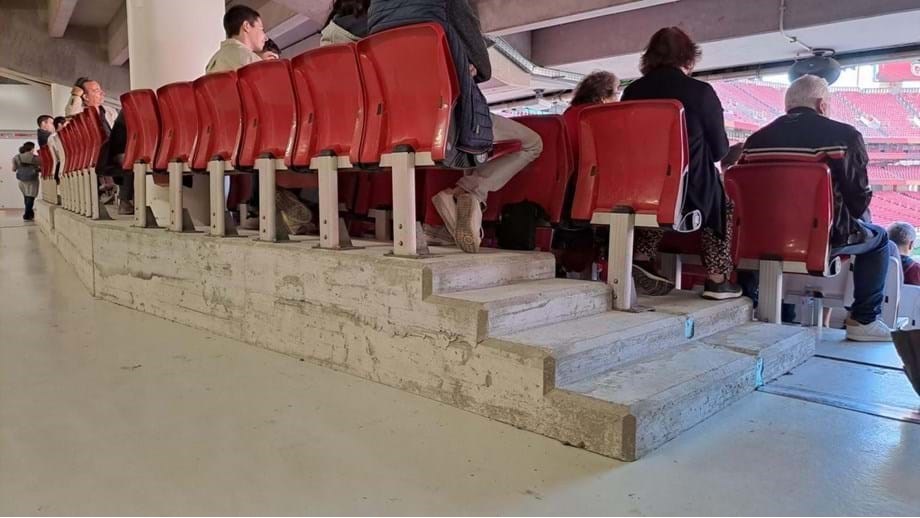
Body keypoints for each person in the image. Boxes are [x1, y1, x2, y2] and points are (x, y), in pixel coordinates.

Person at [369, 0, 543, 253]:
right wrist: (464, 64)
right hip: (450, 116)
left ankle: (458, 205)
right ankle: (470, 193)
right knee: (532, 143)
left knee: (467, 148)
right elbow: (483, 66)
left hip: (401, 121)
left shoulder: (375, 9)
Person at [741, 75, 891, 342]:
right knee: (880, 239)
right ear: (822, 105)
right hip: (820, 238)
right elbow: (857, 202)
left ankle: (748, 299)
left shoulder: (754, 142)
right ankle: (863, 320)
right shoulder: (844, 137)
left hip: (758, 237)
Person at [620, 27, 741, 300]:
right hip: (689, 189)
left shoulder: (631, 93)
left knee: (663, 192)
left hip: (640, 187)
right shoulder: (700, 92)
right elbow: (718, 152)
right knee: (722, 202)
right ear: (689, 58)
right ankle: (717, 278)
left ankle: (641, 256)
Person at [205, 5, 266, 74]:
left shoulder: (212, 62)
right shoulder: (249, 59)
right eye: (261, 29)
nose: (265, 37)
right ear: (247, 26)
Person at [13, 142, 40, 221]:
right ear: (32, 148)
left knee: (26, 197)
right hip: (33, 179)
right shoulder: (36, 158)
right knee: (31, 197)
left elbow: (14, 169)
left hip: (21, 180)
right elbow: (41, 166)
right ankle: (26, 214)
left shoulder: (16, 157)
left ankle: (30, 213)